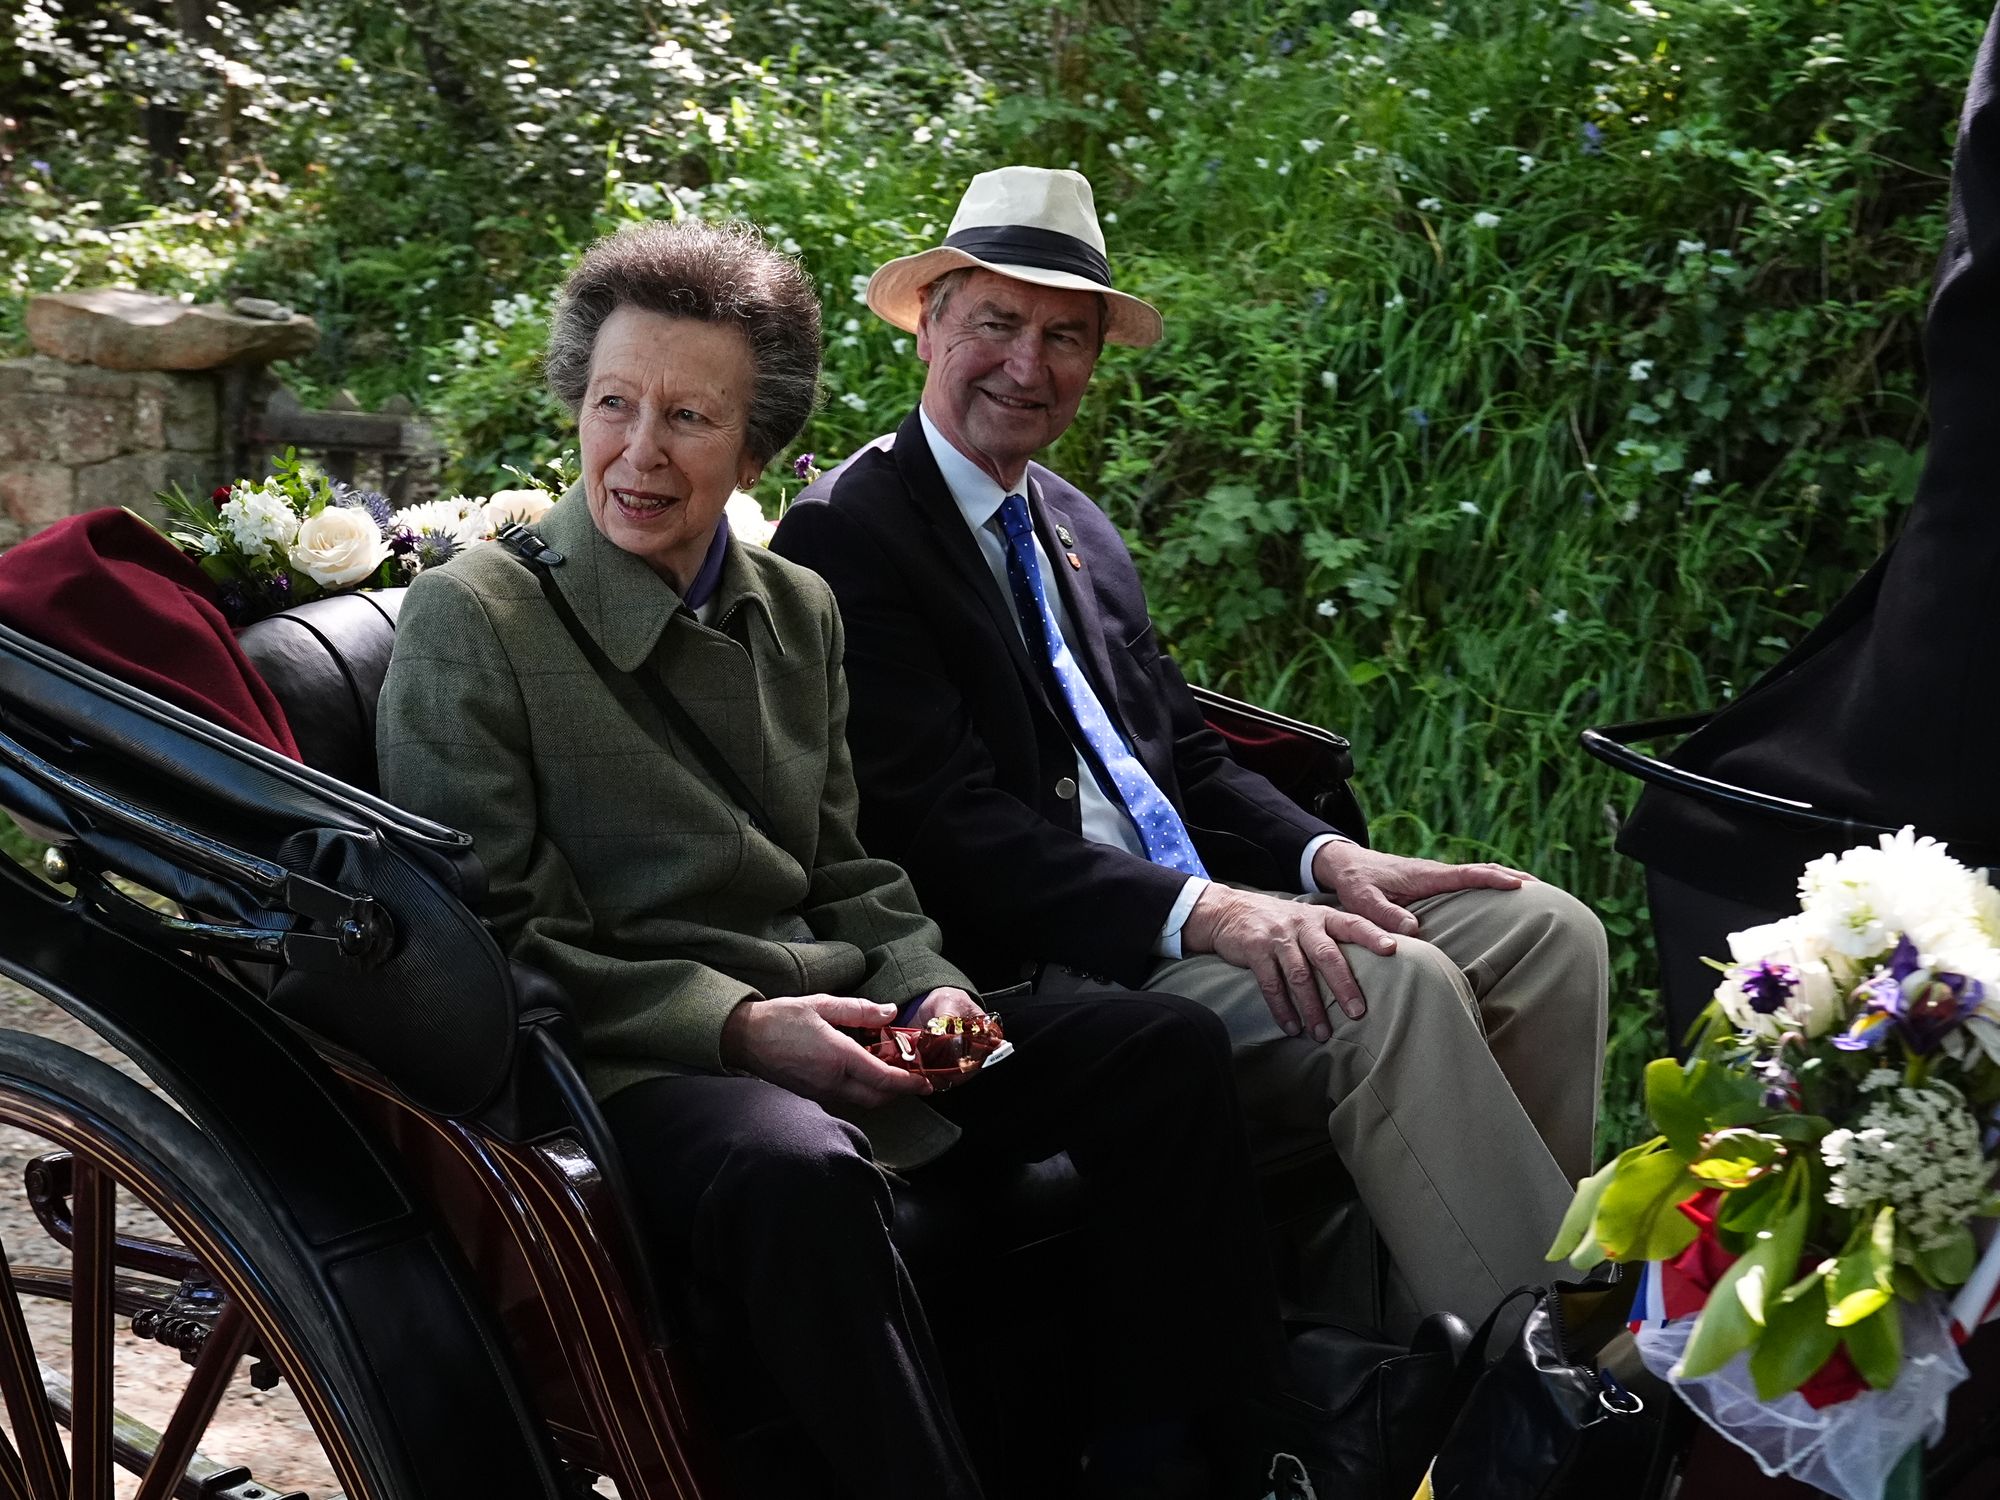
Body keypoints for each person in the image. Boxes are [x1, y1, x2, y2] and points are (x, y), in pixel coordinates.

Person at [376, 220, 1281, 1500]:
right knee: (798, 1163)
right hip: (639, 1054)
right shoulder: (477, 616)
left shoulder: (794, 606)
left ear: (755, 447)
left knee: (1159, 1051)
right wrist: (745, 1030)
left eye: (689, 420)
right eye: (612, 406)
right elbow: (496, 936)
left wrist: (931, 986)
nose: (638, 454)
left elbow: (849, 867)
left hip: (848, 1010)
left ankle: (1180, 1461)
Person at [770, 166, 1610, 1338]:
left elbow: (1187, 757)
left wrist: (1321, 860)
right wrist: (1213, 915)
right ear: (928, 329)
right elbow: (944, 828)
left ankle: (1433, 1329)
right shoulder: (848, 533)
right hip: (1052, 965)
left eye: (1065, 336)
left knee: (1544, 931)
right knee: (1389, 989)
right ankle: (1567, 1369)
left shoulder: (1073, 524)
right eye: (996, 325)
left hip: (1190, 914)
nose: (1028, 363)